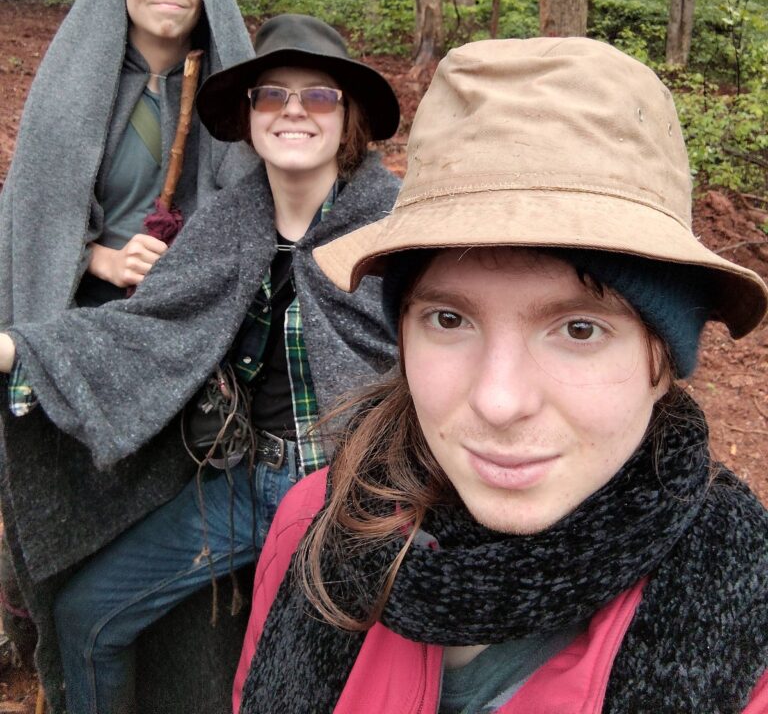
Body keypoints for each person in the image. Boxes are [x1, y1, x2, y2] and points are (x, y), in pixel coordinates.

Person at [233, 36, 768, 714]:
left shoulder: (747, 627)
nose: (498, 400)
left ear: (662, 361)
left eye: (578, 329)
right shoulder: (314, 526)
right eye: (449, 320)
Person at [0, 14, 401, 713]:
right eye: (272, 95)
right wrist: (18, 349)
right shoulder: (232, 220)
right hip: (248, 484)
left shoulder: (393, 227)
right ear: (249, 117)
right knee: (89, 618)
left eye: (320, 96)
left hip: (352, 499)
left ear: (350, 117)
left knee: (301, 681)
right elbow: (149, 331)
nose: (294, 111)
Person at [0, 0, 257, 698]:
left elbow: (254, 214)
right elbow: (31, 215)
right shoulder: (77, 89)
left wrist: (187, 267)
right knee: (83, 538)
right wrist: (98, 257)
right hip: (87, 334)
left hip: (193, 350)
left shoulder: (231, 98)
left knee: (178, 575)